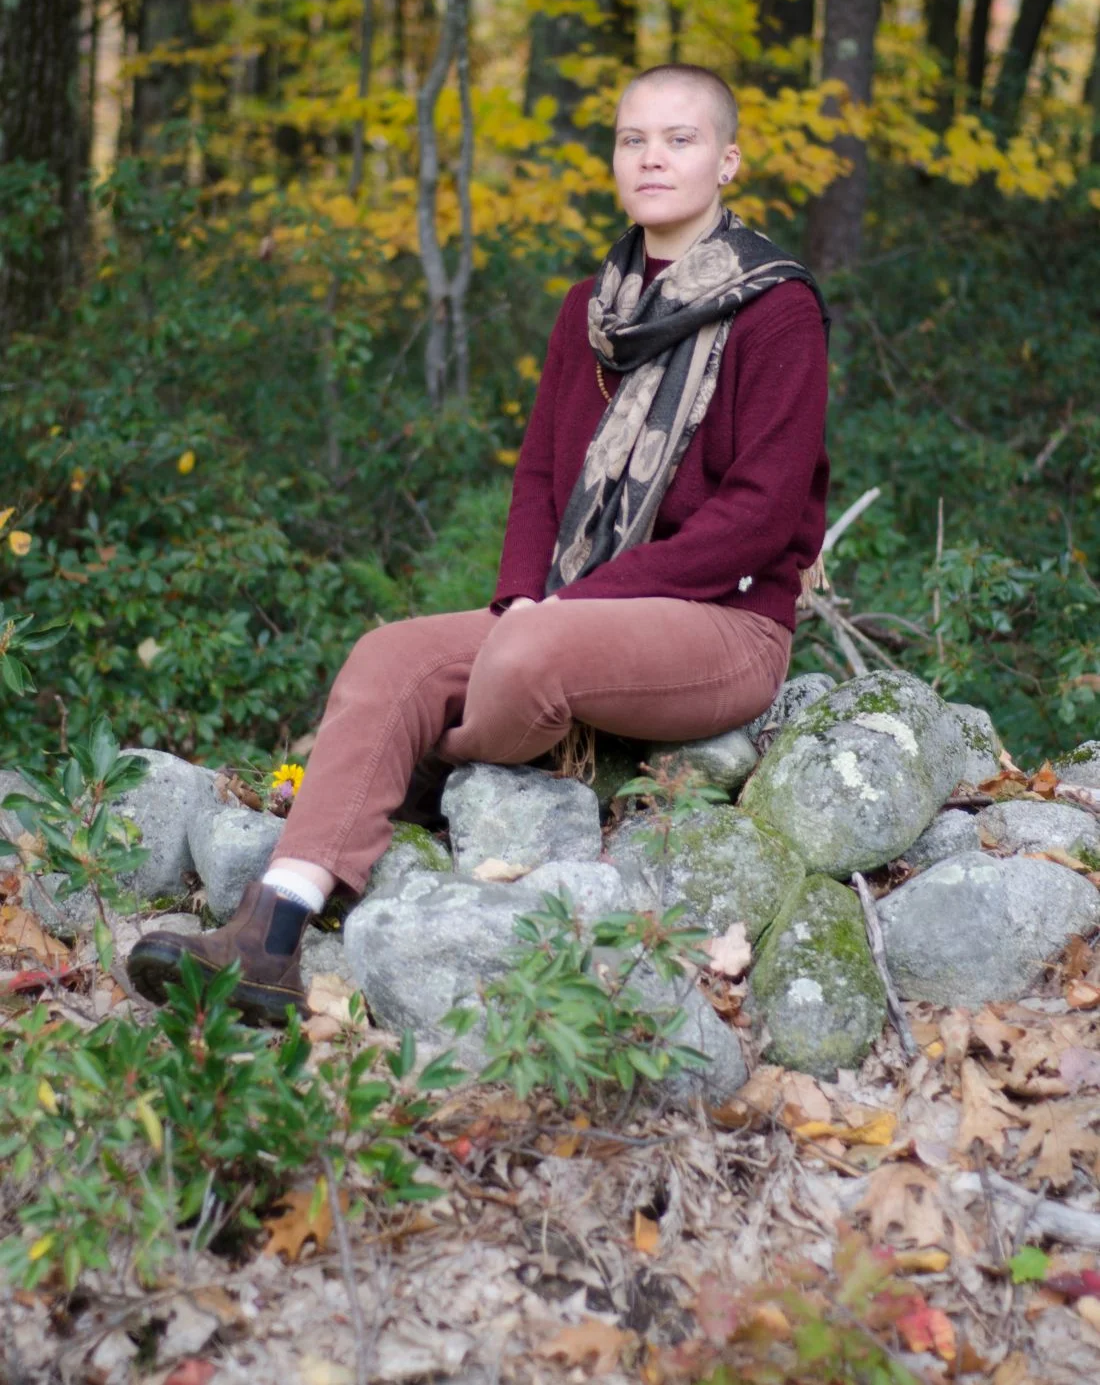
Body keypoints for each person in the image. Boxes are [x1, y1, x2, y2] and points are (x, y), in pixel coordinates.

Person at [128, 63, 830, 1025]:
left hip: (724, 624)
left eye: (681, 139)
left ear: (728, 160)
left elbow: (756, 517)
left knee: (526, 654)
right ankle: (271, 932)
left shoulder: (776, 310)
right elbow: (538, 478)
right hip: (572, 614)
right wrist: (518, 598)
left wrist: (557, 611)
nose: (653, 158)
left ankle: (424, 768)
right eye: (633, 139)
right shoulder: (589, 309)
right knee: (390, 654)